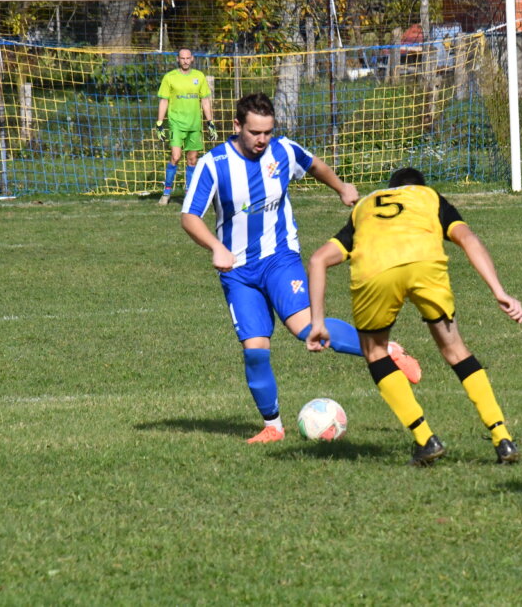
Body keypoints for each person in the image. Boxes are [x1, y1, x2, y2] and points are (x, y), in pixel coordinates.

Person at [180, 93, 421, 443]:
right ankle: (273, 427)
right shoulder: (213, 164)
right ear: (237, 126)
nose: (262, 139)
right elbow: (189, 216)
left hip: (279, 258)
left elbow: (313, 164)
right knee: (255, 351)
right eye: (254, 132)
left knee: (307, 328)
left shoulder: (283, 150)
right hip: (238, 272)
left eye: (267, 132)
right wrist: (216, 247)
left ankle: (389, 351)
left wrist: (341, 187)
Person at [305, 167, 522, 466]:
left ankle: (426, 439)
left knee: (375, 351)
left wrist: (318, 322)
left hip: (376, 270)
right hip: (425, 264)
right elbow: (468, 239)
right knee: (455, 350)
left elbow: (318, 259)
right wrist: (499, 291)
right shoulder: (429, 197)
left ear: (391, 188)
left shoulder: (365, 206)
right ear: (418, 186)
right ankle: (503, 438)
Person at [157, 48, 218, 206]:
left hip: (194, 124)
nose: (185, 61)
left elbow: (205, 100)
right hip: (176, 123)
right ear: (178, 59)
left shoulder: (199, 76)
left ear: (192, 59)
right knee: (175, 157)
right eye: (182, 58)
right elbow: (164, 100)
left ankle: (189, 193)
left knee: (192, 160)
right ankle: (166, 192)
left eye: (187, 58)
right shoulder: (170, 77)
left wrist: (210, 122)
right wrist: (159, 123)